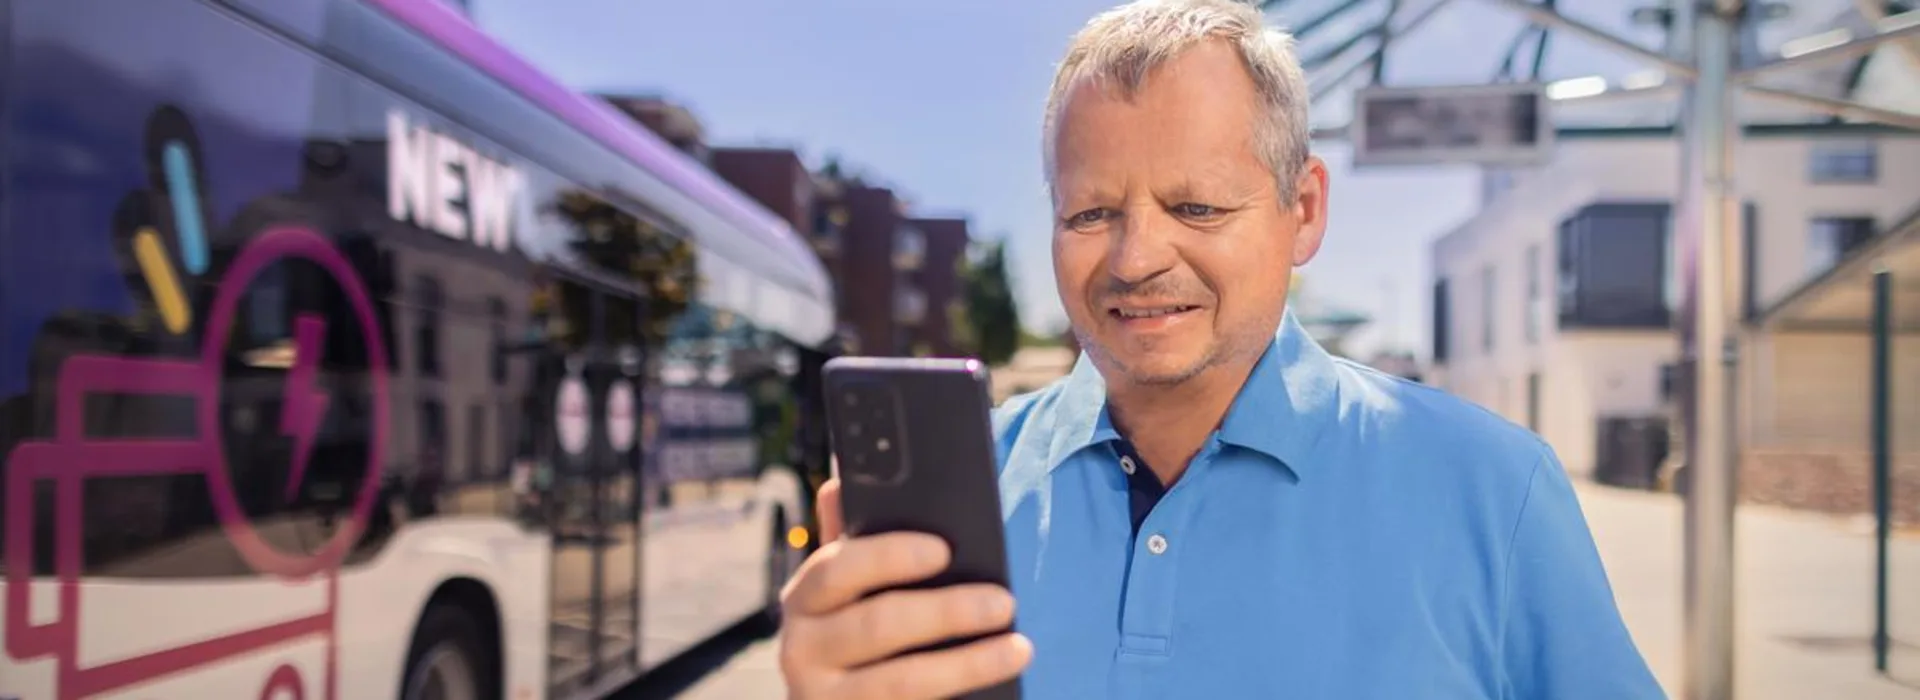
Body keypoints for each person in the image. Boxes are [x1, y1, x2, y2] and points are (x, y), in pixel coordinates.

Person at [777, 1, 1665, 697]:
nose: (1135, 259)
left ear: (1304, 211)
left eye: (1197, 207)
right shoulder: (971, 489)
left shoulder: (1494, 493)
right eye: (1090, 214)